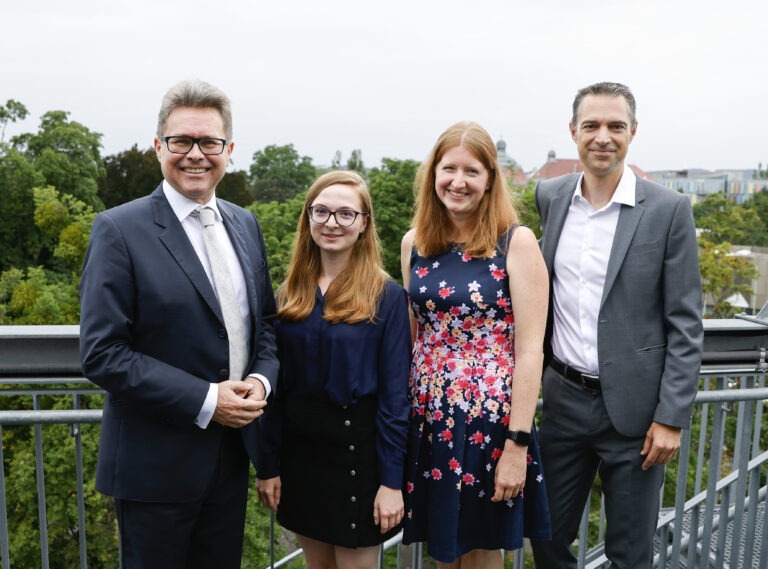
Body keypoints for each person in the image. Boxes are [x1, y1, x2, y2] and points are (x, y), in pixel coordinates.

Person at [79, 79, 279, 569]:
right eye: (181, 141)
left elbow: (267, 327)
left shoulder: (244, 223)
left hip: (230, 463)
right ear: (158, 147)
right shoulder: (118, 230)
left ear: (228, 150)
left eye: (209, 142)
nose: (195, 154)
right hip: (154, 470)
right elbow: (102, 353)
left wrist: (259, 380)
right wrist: (208, 400)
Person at [529, 82, 704, 568]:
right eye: (591, 126)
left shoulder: (669, 210)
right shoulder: (551, 195)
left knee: (630, 551)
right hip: (562, 402)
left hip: (638, 414)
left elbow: (686, 324)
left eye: (614, 126)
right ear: (573, 132)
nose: (602, 137)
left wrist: (671, 416)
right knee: (544, 536)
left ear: (632, 132)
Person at [400, 121, 551, 569]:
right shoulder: (415, 242)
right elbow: (412, 336)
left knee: (482, 554)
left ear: (489, 180)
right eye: (449, 169)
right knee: (442, 554)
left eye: (472, 171)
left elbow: (530, 351)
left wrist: (517, 446)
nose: (458, 182)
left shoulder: (515, 243)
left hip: (489, 423)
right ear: (433, 175)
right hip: (428, 417)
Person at [256, 171, 412, 569]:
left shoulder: (387, 297)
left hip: (357, 456)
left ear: (364, 224)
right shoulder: (289, 292)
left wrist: (392, 482)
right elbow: (276, 391)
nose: (331, 222)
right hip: (301, 457)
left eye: (346, 214)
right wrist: (268, 465)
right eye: (321, 211)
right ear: (308, 219)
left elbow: (396, 398)